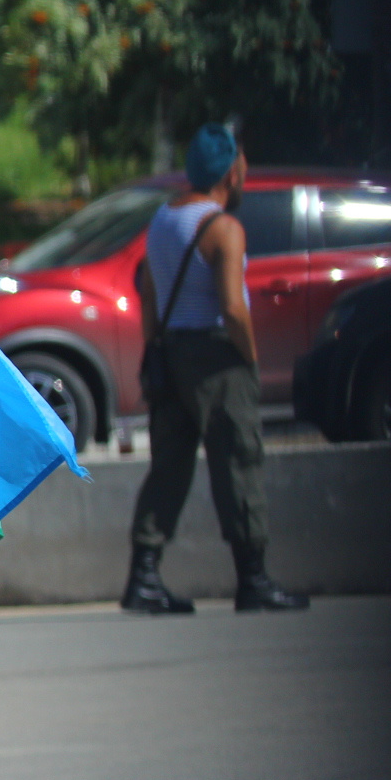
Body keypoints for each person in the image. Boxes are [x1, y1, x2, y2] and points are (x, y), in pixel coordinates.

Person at [123, 124, 308, 614]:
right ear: (231, 171)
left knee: (169, 466)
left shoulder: (164, 218)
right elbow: (232, 305)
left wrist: (155, 347)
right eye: (242, 164)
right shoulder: (224, 228)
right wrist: (247, 357)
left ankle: (143, 577)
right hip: (215, 357)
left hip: (169, 351)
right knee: (238, 462)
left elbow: (147, 290)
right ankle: (254, 579)